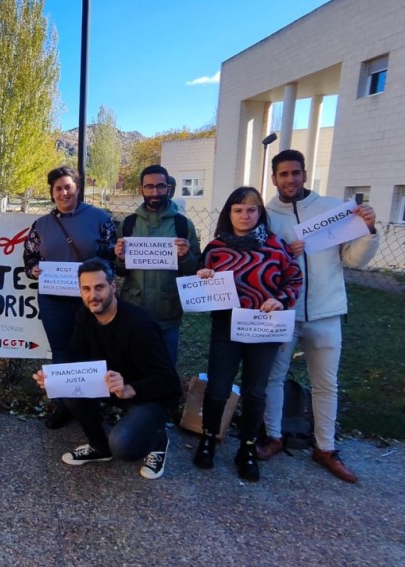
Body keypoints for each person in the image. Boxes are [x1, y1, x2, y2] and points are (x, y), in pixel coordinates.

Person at [257, 149, 379, 483]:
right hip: (285, 312)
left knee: (326, 382)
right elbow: (259, 262)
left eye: (295, 173)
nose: (290, 179)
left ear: (305, 174)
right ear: (274, 178)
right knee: (274, 377)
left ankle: (325, 447)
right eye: (283, 174)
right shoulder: (266, 216)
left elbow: (354, 259)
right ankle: (274, 436)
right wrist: (283, 250)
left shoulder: (330, 209)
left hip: (325, 312)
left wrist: (368, 229)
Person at [32, 258, 182, 480]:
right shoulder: (85, 315)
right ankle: (99, 447)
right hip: (111, 386)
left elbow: (169, 382)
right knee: (68, 388)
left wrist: (131, 389)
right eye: (86, 289)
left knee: (123, 447)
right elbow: (75, 356)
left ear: (113, 287)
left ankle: (158, 440)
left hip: (149, 395)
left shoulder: (140, 325)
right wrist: (54, 379)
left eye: (99, 287)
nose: (93, 295)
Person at [192, 187, 302, 482]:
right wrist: (203, 277)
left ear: (259, 213)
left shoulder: (276, 246)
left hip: (263, 327)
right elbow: (201, 283)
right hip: (226, 327)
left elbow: (294, 279)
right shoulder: (215, 248)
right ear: (229, 214)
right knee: (218, 387)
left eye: (251, 210)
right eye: (238, 210)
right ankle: (209, 438)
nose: (244, 215)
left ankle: (248, 446)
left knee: (255, 391)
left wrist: (280, 300)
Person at [23, 166, 117, 429]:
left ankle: (93, 407)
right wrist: (33, 269)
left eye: (68, 187)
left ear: (77, 188)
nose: (64, 192)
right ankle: (66, 406)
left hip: (91, 300)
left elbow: (112, 259)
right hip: (54, 300)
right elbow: (29, 256)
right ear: (52, 193)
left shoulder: (101, 218)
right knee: (62, 352)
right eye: (58, 188)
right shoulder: (41, 225)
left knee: (94, 351)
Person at [114, 164, 200, 367]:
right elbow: (119, 270)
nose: (155, 192)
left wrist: (186, 256)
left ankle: (164, 400)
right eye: (149, 186)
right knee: (132, 366)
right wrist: (120, 258)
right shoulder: (128, 224)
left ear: (168, 188)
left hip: (167, 312)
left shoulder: (182, 225)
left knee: (165, 367)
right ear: (141, 189)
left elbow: (195, 271)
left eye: (160, 186)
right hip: (134, 311)